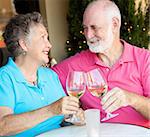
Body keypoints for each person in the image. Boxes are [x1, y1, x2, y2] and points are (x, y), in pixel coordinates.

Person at [52, 0, 150, 128]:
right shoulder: (74, 64)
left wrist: (132, 99)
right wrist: (71, 114)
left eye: (94, 27)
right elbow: (42, 79)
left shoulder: (145, 59)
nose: (88, 35)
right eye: (85, 28)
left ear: (114, 24)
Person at [0, 12, 84, 137]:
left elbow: (62, 116)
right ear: (24, 44)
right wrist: (51, 110)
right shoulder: (5, 78)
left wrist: (73, 117)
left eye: (47, 38)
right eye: (42, 37)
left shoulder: (50, 75)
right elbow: (2, 127)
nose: (49, 45)